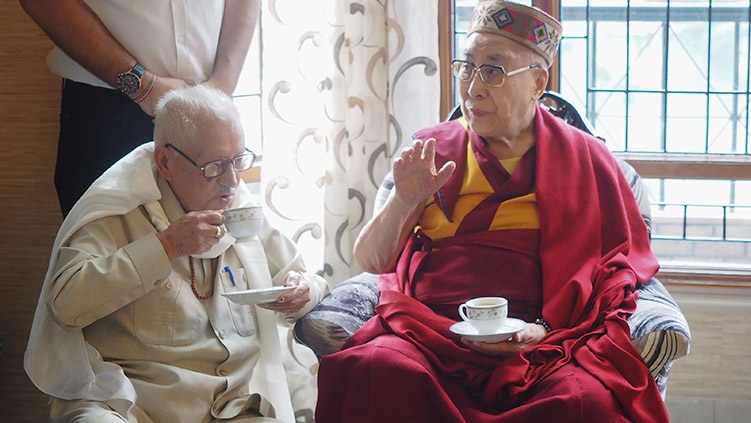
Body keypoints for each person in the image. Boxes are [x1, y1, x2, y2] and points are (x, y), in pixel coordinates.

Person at [315, 1, 669, 422]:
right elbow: (372, 262)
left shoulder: (588, 160)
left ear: (539, 82)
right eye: (467, 67)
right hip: (431, 333)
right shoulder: (431, 153)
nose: (473, 87)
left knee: (586, 401)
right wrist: (404, 199)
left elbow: (619, 270)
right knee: (372, 368)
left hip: (543, 342)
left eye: (494, 70)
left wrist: (547, 329)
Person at [24, 84, 329, 423]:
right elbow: (65, 303)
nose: (231, 180)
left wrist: (303, 291)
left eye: (239, 160)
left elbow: (309, 282)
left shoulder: (241, 211)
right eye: (214, 165)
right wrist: (166, 246)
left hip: (228, 410)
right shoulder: (118, 208)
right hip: (131, 406)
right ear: (166, 162)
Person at [19, 0, 260, 216]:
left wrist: (223, 83)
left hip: (211, 103)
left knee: (214, 253)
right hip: (109, 110)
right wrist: (140, 85)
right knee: (109, 252)